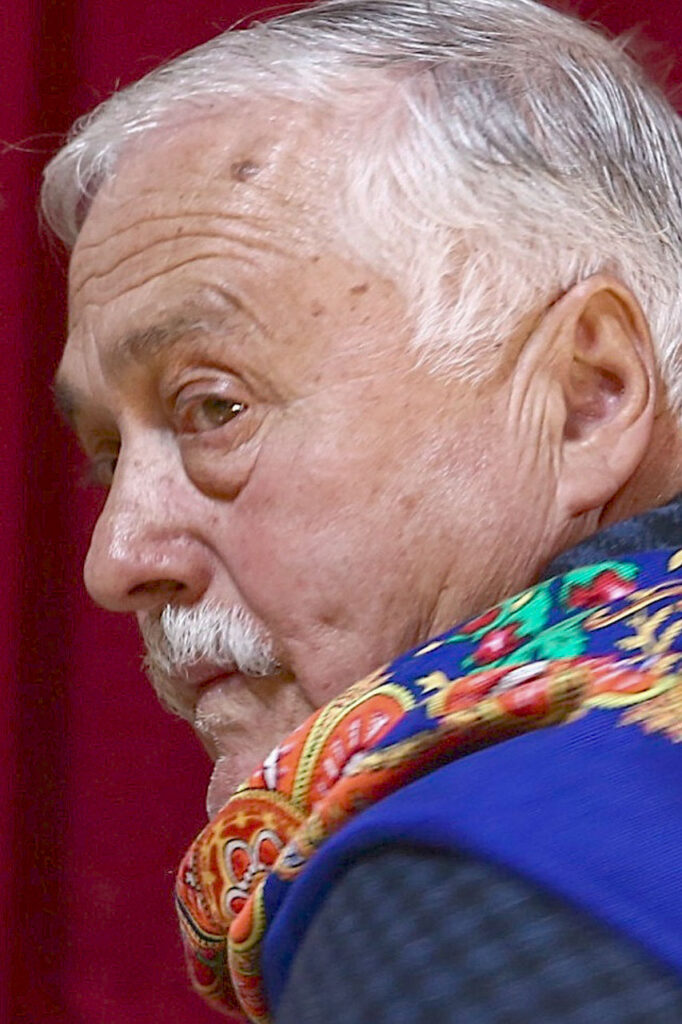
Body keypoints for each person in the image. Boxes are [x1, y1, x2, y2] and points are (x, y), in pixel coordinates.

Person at [43, 0, 682, 1020]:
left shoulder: (459, 887)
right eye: (106, 458)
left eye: (214, 409)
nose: (115, 560)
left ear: (583, 398)